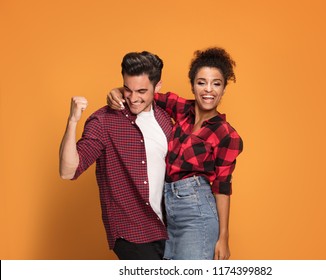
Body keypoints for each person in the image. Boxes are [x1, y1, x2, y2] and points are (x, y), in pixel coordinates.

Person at [107, 47, 243, 260]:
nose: (209, 90)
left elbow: (222, 187)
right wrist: (117, 91)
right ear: (192, 85)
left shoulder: (226, 134)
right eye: (201, 82)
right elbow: (144, 92)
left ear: (224, 88)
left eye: (216, 83)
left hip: (197, 215)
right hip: (168, 214)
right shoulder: (182, 110)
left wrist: (223, 237)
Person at [59, 51, 173, 260]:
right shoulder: (104, 121)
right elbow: (68, 171)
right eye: (127, 89)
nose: (133, 98)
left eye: (141, 91)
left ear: (157, 87)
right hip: (131, 231)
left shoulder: (165, 119)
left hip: (166, 229)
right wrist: (72, 121)